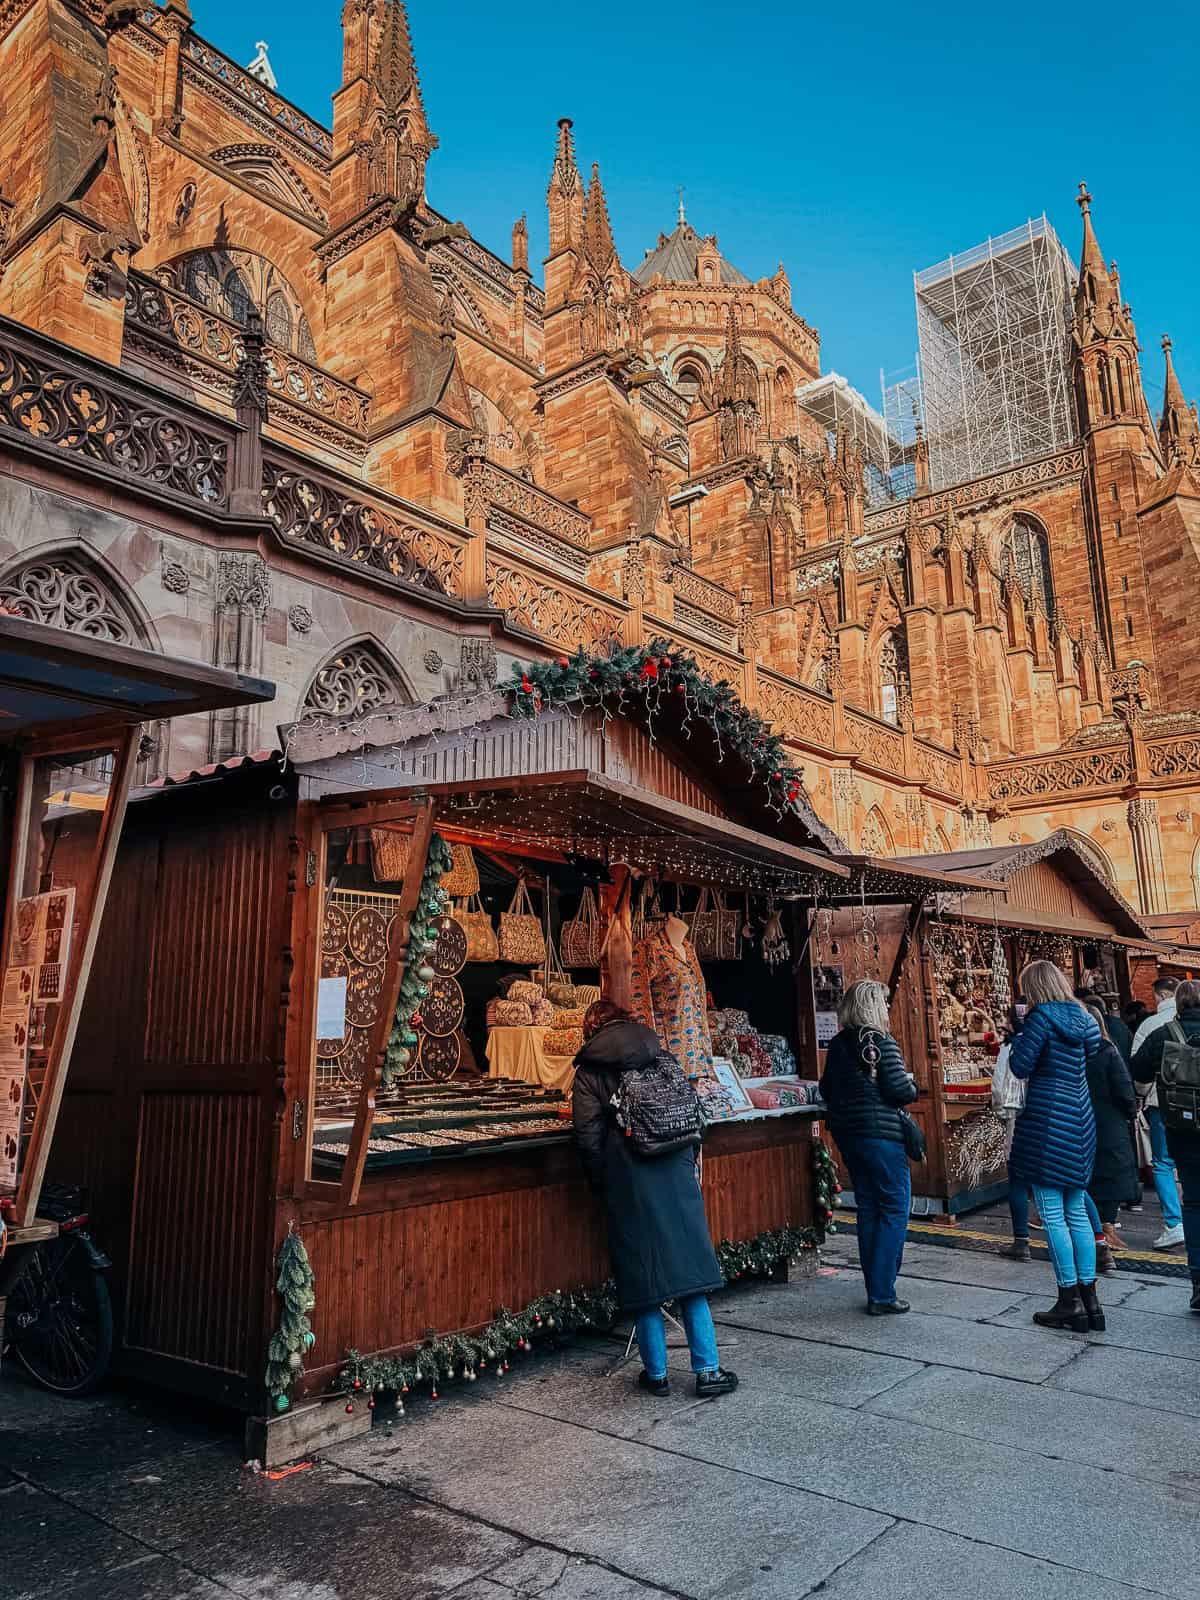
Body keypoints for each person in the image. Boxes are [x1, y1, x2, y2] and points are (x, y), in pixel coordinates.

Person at [571, 1000, 738, 1398]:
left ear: (592, 1028)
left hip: (629, 1175)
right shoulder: (659, 1051)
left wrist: (601, 1180)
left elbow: (587, 1135)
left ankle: (657, 1373)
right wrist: (688, 1162)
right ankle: (708, 1369)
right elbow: (688, 1111)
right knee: (690, 1270)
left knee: (641, 1274)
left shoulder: (591, 1069)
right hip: (676, 1165)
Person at [1009, 961, 1104, 1331]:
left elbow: (1020, 1066)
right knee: (1077, 1211)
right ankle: (1091, 1301)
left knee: (1052, 1215)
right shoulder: (1083, 1017)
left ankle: (1068, 1301)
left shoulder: (1039, 1019)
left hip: (1047, 1121)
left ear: (1033, 988)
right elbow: (1092, 1052)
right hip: (1080, 1119)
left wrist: (1018, 1032)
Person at [819, 979, 918, 1315]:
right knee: (893, 1208)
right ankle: (883, 1292)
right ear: (874, 1007)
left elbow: (826, 1089)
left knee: (869, 1208)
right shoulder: (881, 1042)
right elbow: (899, 1091)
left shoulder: (838, 1045)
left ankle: (876, 1287)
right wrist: (911, 1083)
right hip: (883, 1138)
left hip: (850, 1137)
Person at [1132, 979, 1200, 1311]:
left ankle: (1199, 1284)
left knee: (1195, 1203)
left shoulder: (1162, 1032)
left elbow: (1138, 1071)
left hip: (1182, 1127)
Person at [1081, 1001, 1139, 1272]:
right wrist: (1130, 1111)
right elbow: (1124, 1088)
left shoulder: (1073, 1052)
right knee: (1112, 1173)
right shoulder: (1107, 1049)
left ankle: (1098, 1234)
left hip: (1081, 1121)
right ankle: (1105, 1228)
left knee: (1089, 1178)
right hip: (1110, 1121)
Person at [1131, 977, 1185, 1249]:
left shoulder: (1150, 1025)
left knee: (1163, 1162)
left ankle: (1175, 1224)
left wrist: (1142, 1094)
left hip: (1161, 1104)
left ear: (1160, 996)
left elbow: (1138, 1072)